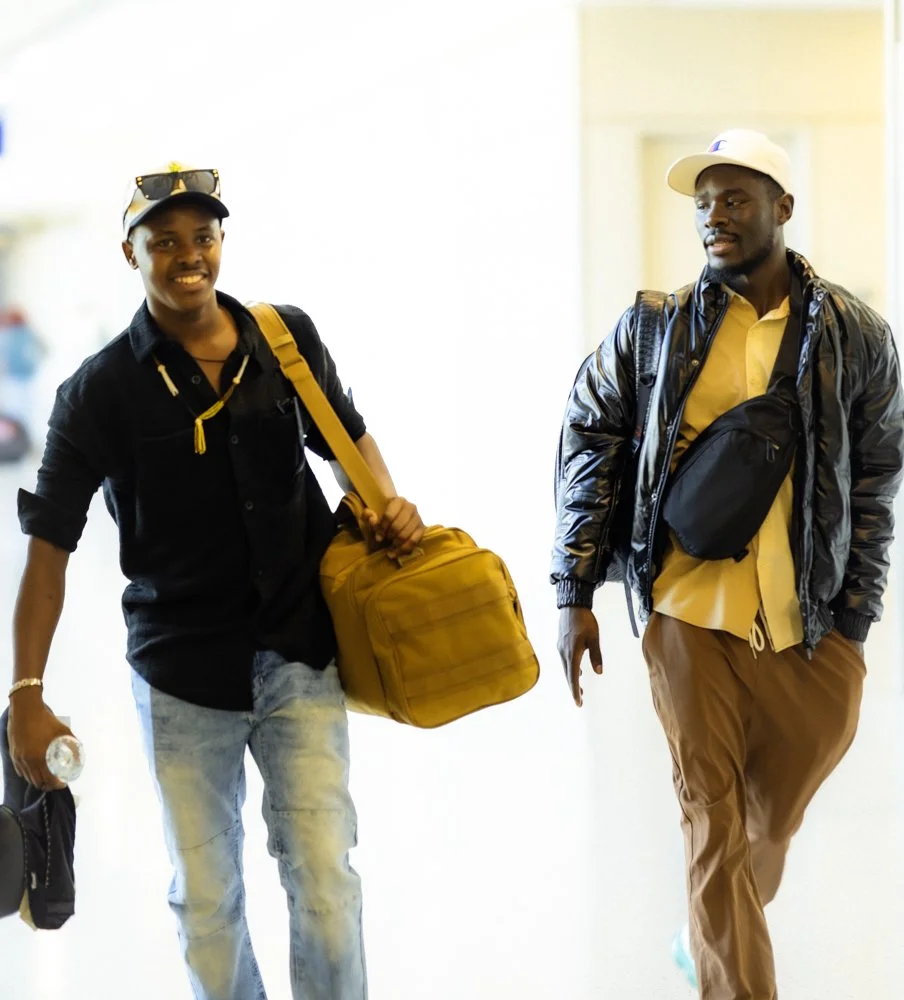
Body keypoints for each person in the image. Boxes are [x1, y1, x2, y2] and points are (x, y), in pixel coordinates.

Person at [7, 162, 426, 1000]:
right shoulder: (97, 392)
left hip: (299, 655)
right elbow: (48, 547)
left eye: (202, 237)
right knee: (206, 903)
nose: (186, 255)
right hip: (181, 677)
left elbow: (346, 437)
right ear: (131, 255)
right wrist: (25, 688)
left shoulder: (285, 340)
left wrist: (386, 503)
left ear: (221, 243)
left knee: (327, 884)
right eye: (163, 242)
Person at [552, 130, 904, 999]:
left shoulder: (856, 336)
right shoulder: (654, 328)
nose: (715, 215)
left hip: (805, 619)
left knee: (767, 820)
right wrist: (574, 590)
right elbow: (590, 440)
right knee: (710, 822)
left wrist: (855, 614)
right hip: (684, 608)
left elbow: (877, 474)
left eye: (735, 198)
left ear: (783, 208)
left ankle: (700, 935)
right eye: (704, 201)